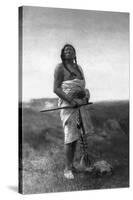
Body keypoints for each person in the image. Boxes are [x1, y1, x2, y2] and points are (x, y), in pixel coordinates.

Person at [53, 44, 93, 179]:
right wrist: (71, 101)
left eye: (71, 50)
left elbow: (82, 86)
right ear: (62, 54)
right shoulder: (60, 67)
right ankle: (67, 169)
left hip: (80, 105)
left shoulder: (79, 68)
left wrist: (85, 95)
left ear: (75, 54)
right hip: (68, 105)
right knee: (70, 137)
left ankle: (71, 165)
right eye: (65, 50)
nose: (68, 51)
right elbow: (56, 89)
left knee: (76, 136)